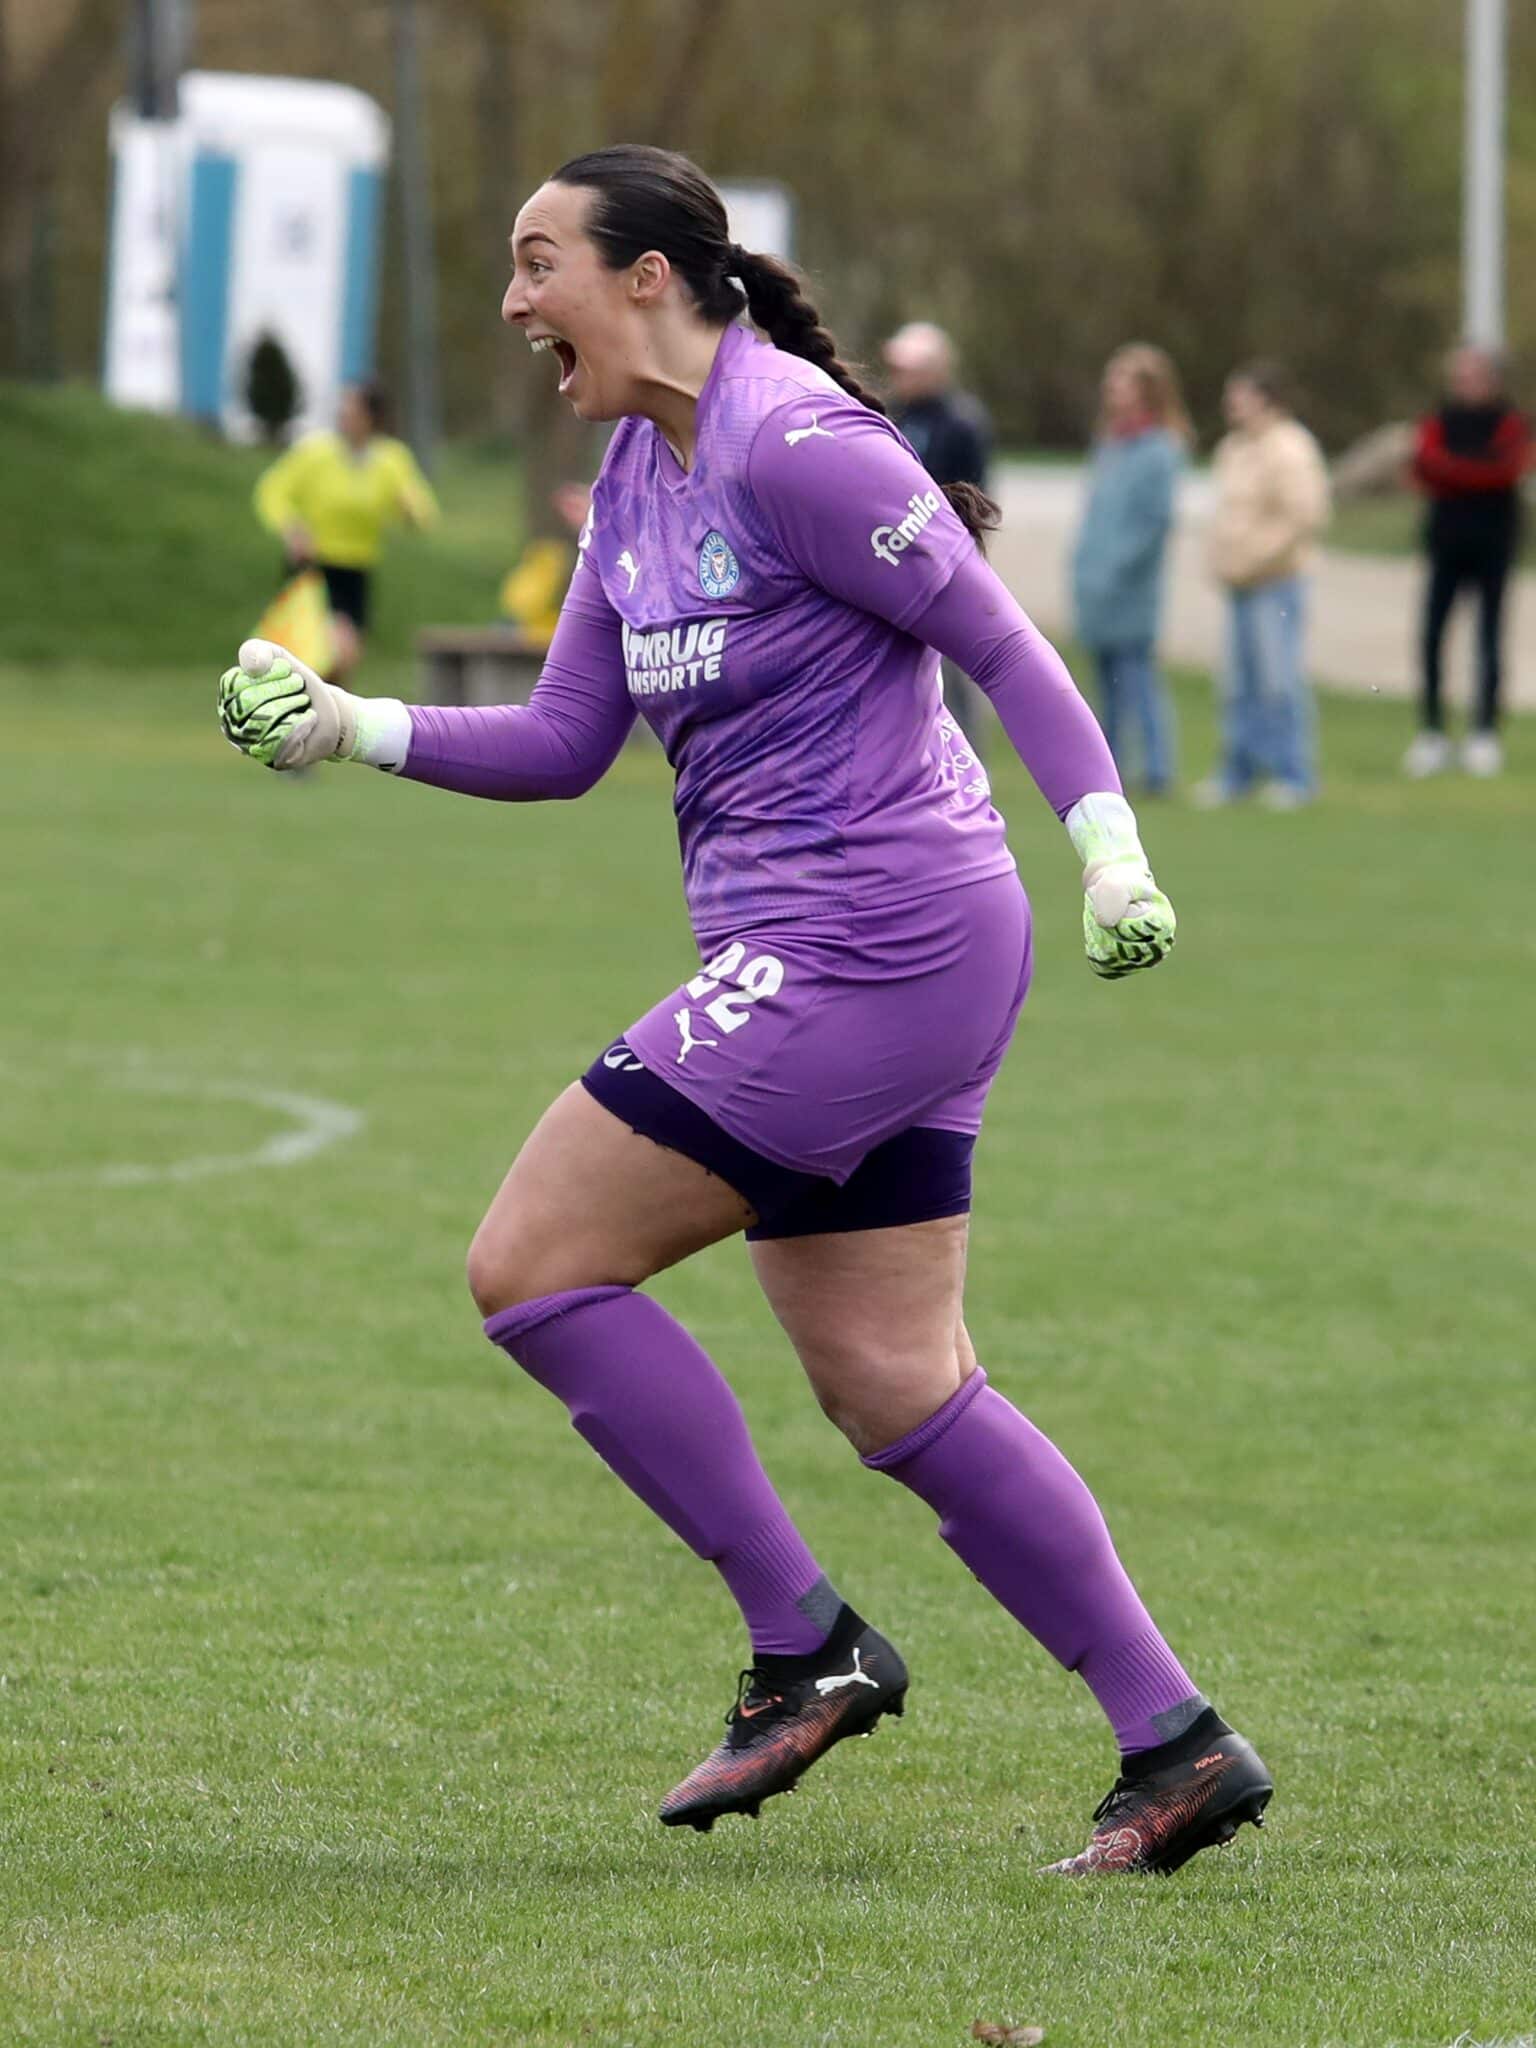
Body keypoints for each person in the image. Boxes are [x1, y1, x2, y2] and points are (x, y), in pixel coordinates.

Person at [218, 145, 1271, 1876]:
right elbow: (566, 748)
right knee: (890, 1379)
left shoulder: (803, 444)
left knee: (535, 1258)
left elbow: (1005, 644)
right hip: (851, 953)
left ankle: (805, 1643)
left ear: (649, 276)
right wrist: (353, 724)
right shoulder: (638, 470)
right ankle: (1175, 1740)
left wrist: (1112, 852)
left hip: (876, 935)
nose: (511, 301)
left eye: (537, 259)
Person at [1199, 362, 1331, 809]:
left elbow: (1304, 517)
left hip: (1276, 582)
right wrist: (1223, 558)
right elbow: (1227, 514)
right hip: (1239, 583)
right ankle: (1238, 772)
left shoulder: (1291, 448)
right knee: (1237, 683)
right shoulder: (1233, 449)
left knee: (1279, 681)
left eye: (1239, 395)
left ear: (1265, 398)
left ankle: (1293, 774)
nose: (1231, 404)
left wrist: (1254, 559)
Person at [253, 381, 440, 682]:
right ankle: (314, 718)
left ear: (371, 418)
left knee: (340, 664)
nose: (344, 416)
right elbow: (271, 492)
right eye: (343, 409)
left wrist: (409, 510)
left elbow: (423, 512)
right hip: (312, 567)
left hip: (356, 572)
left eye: (352, 410)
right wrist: (292, 528)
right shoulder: (315, 454)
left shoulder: (391, 459)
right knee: (326, 653)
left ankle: (325, 722)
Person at [1403, 343, 1531, 779]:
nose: (1462, 383)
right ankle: (1433, 732)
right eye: (1458, 376)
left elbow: (1502, 470)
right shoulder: (1439, 420)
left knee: (1489, 638)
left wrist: (1452, 471)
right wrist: (1462, 471)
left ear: (1492, 381)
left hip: (1493, 544)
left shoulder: (1511, 423)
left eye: (1471, 376)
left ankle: (1483, 733)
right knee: (1433, 635)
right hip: (1445, 543)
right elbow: (1422, 465)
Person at [1070, 344, 1189, 796]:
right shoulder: (1110, 444)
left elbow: (1153, 524)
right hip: (1096, 586)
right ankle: (1110, 768)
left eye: (1122, 380)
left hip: (1131, 590)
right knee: (1103, 684)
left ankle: (1158, 769)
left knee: (1139, 678)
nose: (1112, 388)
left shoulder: (1160, 450)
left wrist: (1117, 570)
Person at [883, 321, 995, 758]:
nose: (901, 378)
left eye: (910, 369)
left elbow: (975, 495)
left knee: (955, 660)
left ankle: (965, 753)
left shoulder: (961, 424)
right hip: (892, 562)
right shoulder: (891, 416)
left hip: (944, 561)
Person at [499, 481, 592, 650]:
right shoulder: (550, 554)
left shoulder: (599, 546)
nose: (571, 513)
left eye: (576, 506)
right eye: (569, 506)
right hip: (543, 632)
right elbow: (521, 603)